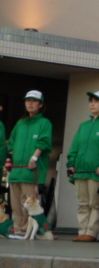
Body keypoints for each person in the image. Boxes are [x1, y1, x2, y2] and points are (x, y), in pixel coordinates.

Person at [66, 91, 99, 242]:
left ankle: (92, 232)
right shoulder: (83, 126)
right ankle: (82, 230)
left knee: (96, 203)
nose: (92, 104)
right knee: (82, 203)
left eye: (96, 101)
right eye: (91, 101)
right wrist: (71, 164)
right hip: (80, 172)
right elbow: (74, 147)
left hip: (97, 172)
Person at [7, 90, 52, 237]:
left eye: (34, 101)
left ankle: (26, 230)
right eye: (28, 100)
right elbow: (11, 143)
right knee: (15, 204)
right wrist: (9, 159)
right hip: (16, 171)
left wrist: (34, 158)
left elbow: (43, 142)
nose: (30, 103)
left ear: (40, 104)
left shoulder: (44, 123)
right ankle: (17, 229)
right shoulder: (20, 123)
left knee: (29, 204)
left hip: (31, 171)